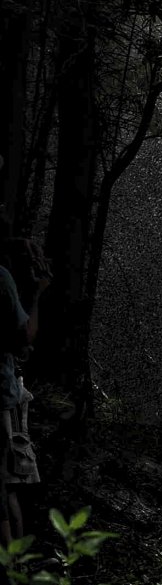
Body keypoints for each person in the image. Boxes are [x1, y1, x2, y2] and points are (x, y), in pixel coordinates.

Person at [1, 230, 49, 547]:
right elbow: (24, 335)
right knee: (5, 485)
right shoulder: (3, 280)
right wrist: (38, 293)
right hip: (2, 394)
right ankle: (11, 572)